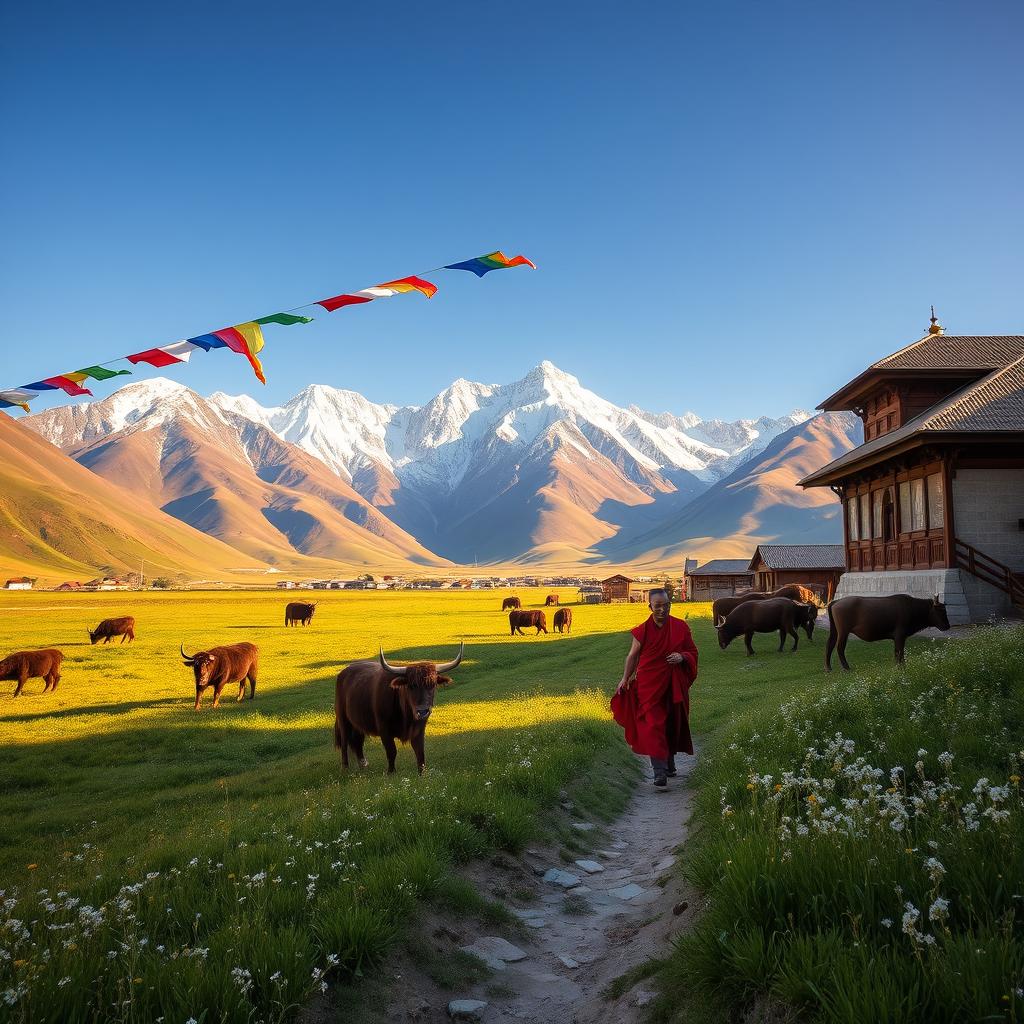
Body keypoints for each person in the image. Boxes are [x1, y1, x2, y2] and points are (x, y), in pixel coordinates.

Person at [611, 589, 698, 788]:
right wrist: (625, 678)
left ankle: (669, 763)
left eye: (665, 605)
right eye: (657, 606)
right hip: (648, 686)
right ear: (650, 607)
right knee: (653, 725)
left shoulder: (680, 627)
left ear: (670, 605)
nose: (661, 609)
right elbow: (632, 656)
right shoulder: (642, 630)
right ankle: (659, 773)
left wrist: (682, 657)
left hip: (674, 685)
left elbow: (692, 651)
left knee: (671, 724)